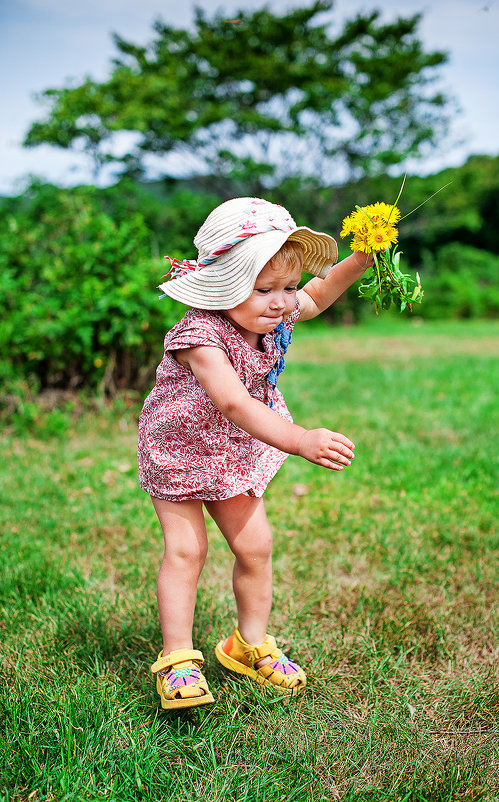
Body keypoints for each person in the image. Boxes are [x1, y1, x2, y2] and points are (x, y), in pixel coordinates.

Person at [138, 197, 373, 709]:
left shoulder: (275, 314)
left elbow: (318, 292)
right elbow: (233, 402)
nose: (282, 301)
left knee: (255, 547)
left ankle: (248, 645)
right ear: (222, 286)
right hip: (179, 452)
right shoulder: (199, 335)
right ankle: (178, 659)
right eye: (264, 289)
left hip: (234, 455)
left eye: (287, 287)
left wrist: (357, 261)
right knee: (187, 551)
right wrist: (299, 438)